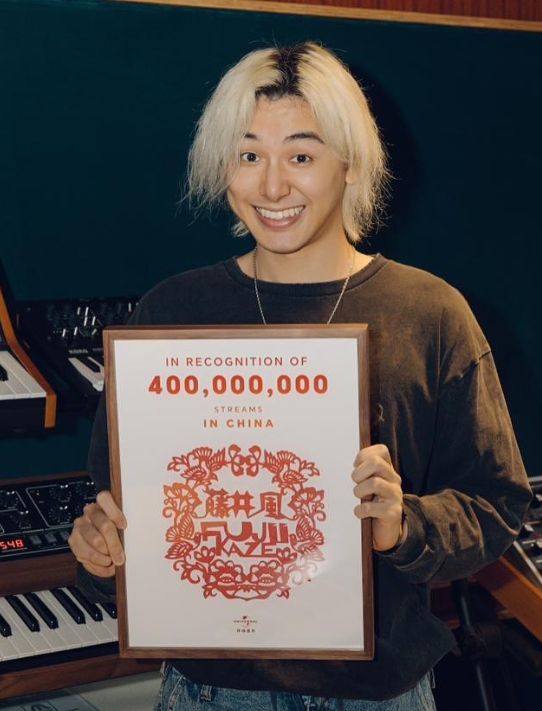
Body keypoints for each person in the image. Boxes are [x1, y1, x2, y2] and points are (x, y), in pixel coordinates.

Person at [68, 43, 531, 710]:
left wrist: (404, 524)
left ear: (351, 163)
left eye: (302, 157)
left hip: (381, 695)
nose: (272, 187)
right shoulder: (171, 311)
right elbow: (118, 514)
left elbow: (496, 504)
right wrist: (100, 552)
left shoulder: (431, 313)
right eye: (249, 155)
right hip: (209, 693)